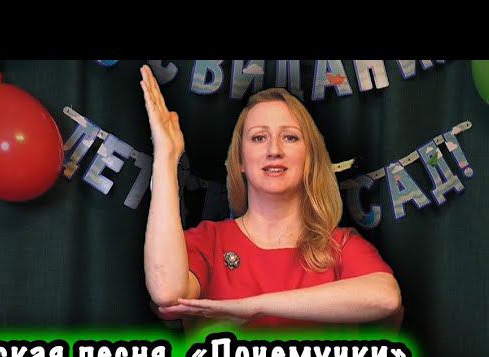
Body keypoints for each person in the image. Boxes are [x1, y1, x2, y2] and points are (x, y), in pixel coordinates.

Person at [139, 64, 402, 331]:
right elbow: (166, 292)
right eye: (259, 138)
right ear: (240, 161)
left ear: (309, 158)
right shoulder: (208, 241)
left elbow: (386, 297)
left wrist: (253, 307)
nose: (274, 150)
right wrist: (166, 156)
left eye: (290, 137)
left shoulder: (340, 245)